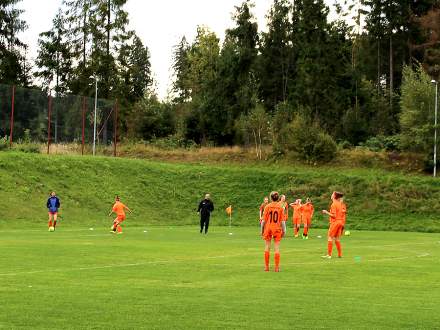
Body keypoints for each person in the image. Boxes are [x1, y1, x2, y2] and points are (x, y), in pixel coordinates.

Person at [261, 191, 286, 272]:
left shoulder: (267, 207)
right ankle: (277, 268)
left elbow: (263, 221)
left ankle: (266, 267)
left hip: (268, 228)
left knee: (267, 246)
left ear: (270, 198)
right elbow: (282, 221)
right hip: (277, 228)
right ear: (278, 198)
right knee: (277, 247)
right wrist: (284, 230)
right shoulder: (280, 207)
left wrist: (262, 230)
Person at [321, 191, 345, 259]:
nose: (331, 195)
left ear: (334, 196)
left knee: (330, 237)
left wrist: (326, 212)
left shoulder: (334, 204)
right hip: (340, 222)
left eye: (332, 194)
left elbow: (334, 216)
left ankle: (329, 255)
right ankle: (340, 255)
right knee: (337, 239)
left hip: (335, 222)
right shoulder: (340, 204)